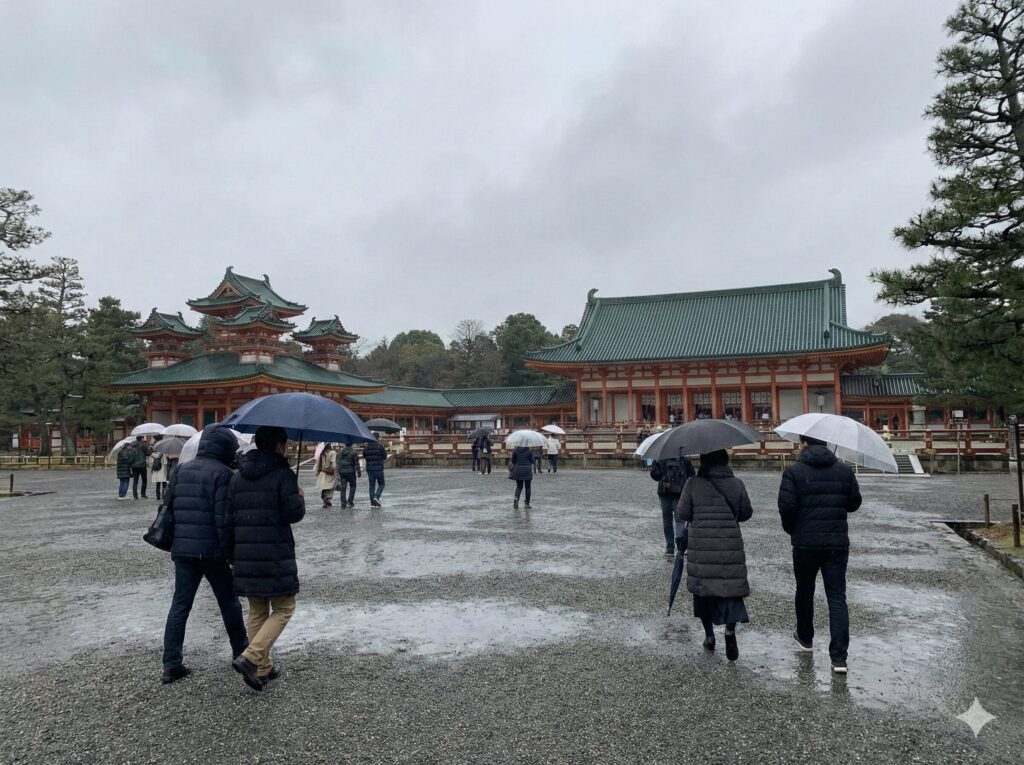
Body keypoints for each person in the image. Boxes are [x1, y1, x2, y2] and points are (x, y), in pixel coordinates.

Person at [160, 425, 248, 684]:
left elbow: (168, 506)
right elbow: (224, 520)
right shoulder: (223, 474)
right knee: (229, 603)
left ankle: (171, 663)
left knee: (180, 605)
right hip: (212, 550)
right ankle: (241, 654)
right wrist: (231, 553)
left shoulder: (181, 470)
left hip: (182, 548)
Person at [229, 426, 306, 691]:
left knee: (257, 610)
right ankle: (251, 657)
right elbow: (293, 514)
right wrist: (299, 496)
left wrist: (232, 555)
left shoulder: (237, 478)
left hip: (245, 553)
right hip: (274, 552)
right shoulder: (283, 475)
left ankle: (262, 668)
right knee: (284, 608)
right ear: (278, 446)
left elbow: (229, 519)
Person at [778, 435, 862, 675]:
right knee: (837, 597)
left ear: (804, 443)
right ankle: (839, 658)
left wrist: (792, 529)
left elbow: (786, 506)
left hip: (804, 542)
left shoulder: (793, 471)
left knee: (804, 591)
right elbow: (854, 503)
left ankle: (805, 637)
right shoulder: (844, 471)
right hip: (836, 542)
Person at [676, 449, 752, 661]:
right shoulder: (736, 484)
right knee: (731, 590)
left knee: (704, 592)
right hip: (729, 544)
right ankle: (729, 631)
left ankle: (709, 636)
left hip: (701, 546)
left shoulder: (692, 483)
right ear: (725, 461)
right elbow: (746, 513)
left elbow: (682, 513)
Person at [650, 455, 695, 556]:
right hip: (680, 493)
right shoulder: (684, 459)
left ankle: (669, 548)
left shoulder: (660, 458)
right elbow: (692, 474)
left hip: (665, 493)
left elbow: (654, 475)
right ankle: (680, 547)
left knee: (667, 521)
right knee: (680, 521)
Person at [362, 437, 387, 508]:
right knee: (382, 484)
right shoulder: (380, 447)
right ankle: (376, 496)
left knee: (371, 485)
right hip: (379, 468)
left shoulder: (366, 448)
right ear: (377, 438)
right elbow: (385, 456)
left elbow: (364, 456)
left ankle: (372, 503)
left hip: (370, 469)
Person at [334, 442, 361, 508]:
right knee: (353, 486)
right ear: (351, 444)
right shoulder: (353, 452)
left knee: (343, 488)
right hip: (351, 472)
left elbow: (337, 463)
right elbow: (356, 463)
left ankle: (343, 503)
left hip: (342, 472)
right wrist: (358, 472)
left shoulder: (339, 452)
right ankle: (350, 502)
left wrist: (337, 473)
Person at [314, 443, 337, 508]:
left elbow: (318, 464)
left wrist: (317, 472)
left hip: (323, 472)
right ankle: (327, 499)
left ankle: (325, 498)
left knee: (324, 485)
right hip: (330, 472)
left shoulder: (322, 453)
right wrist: (334, 469)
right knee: (330, 486)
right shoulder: (333, 453)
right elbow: (334, 463)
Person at [130, 435, 152, 499]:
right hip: (142, 465)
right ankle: (143, 494)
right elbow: (148, 453)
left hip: (134, 465)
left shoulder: (131, 445)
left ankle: (135, 495)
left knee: (135, 481)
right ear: (141, 439)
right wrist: (150, 449)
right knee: (144, 480)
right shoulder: (143, 445)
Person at [151, 435, 169, 501]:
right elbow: (165, 460)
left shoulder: (153, 447)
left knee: (157, 482)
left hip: (156, 466)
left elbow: (151, 460)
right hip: (162, 466)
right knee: (164, 481)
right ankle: (163, 495)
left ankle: (157, 495)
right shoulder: (163, 447)